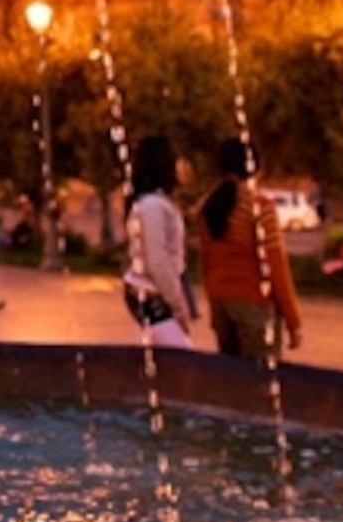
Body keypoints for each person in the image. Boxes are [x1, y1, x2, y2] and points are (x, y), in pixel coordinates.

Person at [194, 138, 302, 360]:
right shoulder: (259, 208)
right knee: (260, 383)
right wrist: (294, 322)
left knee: (232, 382)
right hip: (255, 305)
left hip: (220, 303)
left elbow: (206, 262)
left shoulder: (207, 208)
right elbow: (276, 267)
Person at [120, 134, 197, 348]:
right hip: (151, 293)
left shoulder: (150, 203)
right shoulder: (154, 206)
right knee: (183, 359)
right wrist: (177, 306)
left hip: (145, 291)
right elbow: (157, 260)